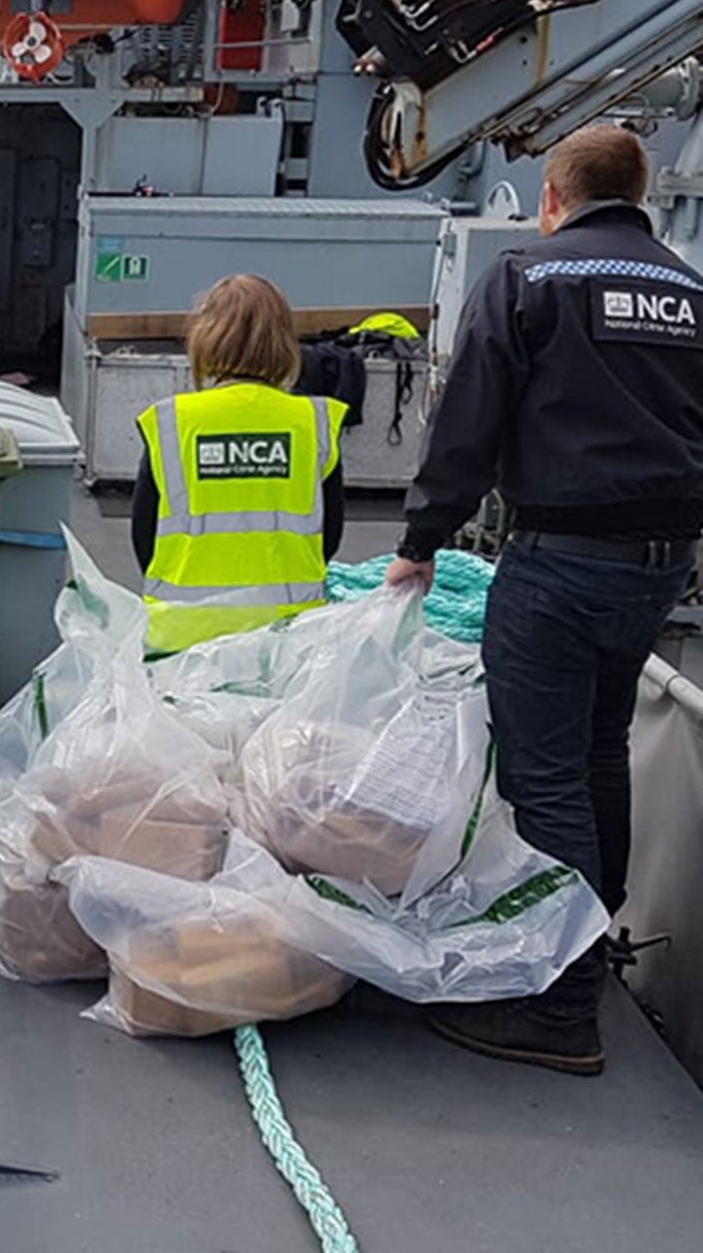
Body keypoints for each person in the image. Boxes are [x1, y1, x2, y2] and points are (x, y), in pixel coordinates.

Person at [387, 124, 703, 1076]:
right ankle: (591, 953)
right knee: (602, 753)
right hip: (658, 562)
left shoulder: (529, 277)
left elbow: (469, 420)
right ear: (638, 197)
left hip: (562, 558)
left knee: (547, 776)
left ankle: (560, 1011)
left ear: (554, 196)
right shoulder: (692, 294)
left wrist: (421, 541)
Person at [133, 274, 345, 654]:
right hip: (286, 634)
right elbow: (329, 537)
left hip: (182, 634)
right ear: (284, 339)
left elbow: (143, 538)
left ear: (204, 336)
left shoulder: (172, 421)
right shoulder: (313, 422)